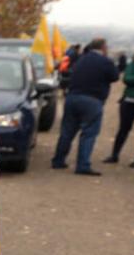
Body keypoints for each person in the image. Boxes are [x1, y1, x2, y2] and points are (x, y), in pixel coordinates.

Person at [51, 37, 119, 176]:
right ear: (104, 48)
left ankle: (58, 160)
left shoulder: (81, 59)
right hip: (92, 100)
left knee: (67, 132)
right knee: (88, 134)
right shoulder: (105, 62)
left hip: (72, 97)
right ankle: (82, 165)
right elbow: (115, 77)